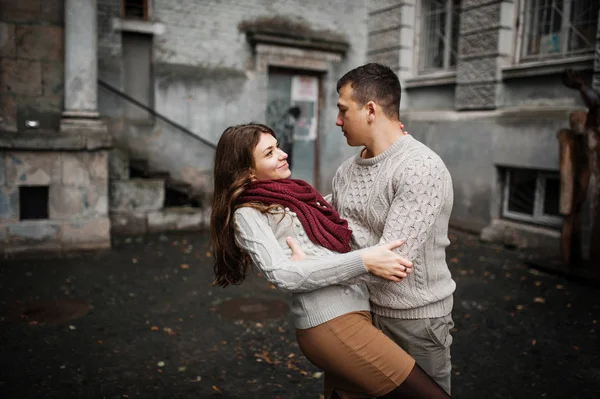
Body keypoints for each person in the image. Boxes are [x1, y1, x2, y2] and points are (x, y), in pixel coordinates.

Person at [210, 123, 451, 399]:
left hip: (355, 314)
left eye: (278, 146)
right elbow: (283, 274)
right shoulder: (247, 215)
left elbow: (349, 203)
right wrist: (364, 261)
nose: (283, 154)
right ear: (247, 171)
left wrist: (387, 143)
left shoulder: (293, 198)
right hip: (331, 324)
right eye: (269, 153)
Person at [330, 63, 456, 394]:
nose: (337, 121)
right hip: (359, 312)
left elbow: (390, 263)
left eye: (343, 110)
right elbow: (329, 228)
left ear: (370, 110)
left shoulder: (420, 168)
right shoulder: (346, 171)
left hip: (414, 321)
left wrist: (307, 274)